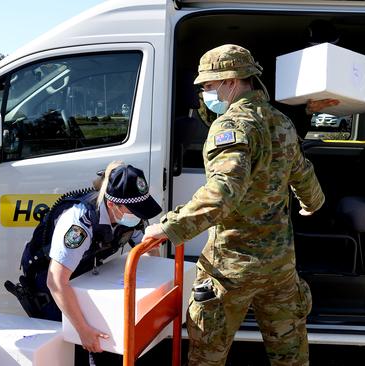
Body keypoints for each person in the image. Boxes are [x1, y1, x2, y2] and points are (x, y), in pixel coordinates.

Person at [143, 44, 325, 366]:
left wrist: (169, 227)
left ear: (231, 81)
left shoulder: (231, 125)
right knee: (291, 355)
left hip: (231, 268)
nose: (205, 93)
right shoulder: (280, 121)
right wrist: (312, 202)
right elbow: (301, 170)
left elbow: (222, 193)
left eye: (209, 86)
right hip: (279, 265)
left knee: (208, 355)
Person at [6, 161, 162, 365]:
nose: (139, 215)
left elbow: (148, 253)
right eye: (135, 210)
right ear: (113, 205)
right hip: (48, 279)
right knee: (74, 350)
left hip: (80, 273)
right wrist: (83, 331)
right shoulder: (80, 220)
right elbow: (56, 281)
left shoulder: (130, 212)